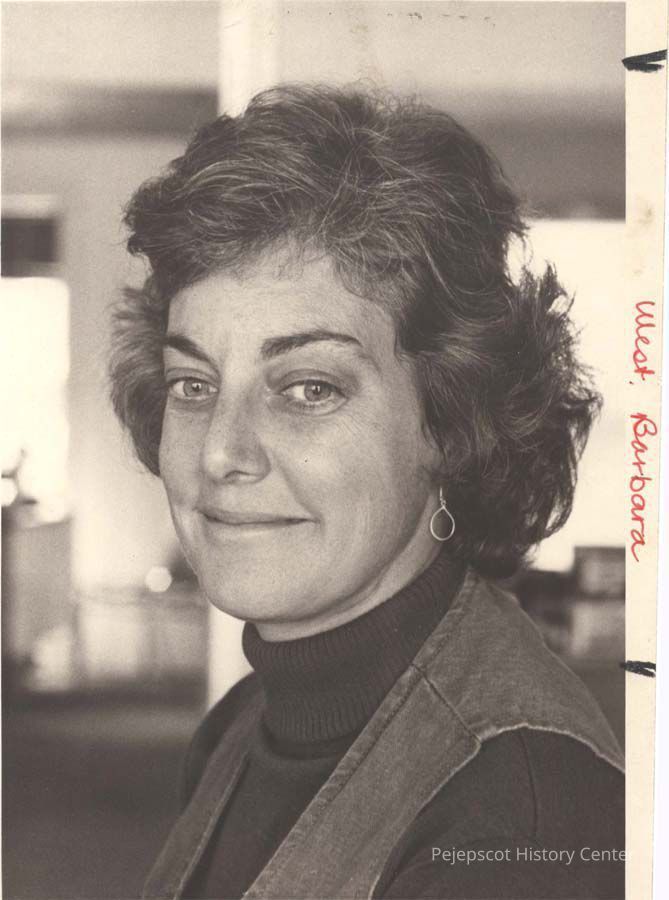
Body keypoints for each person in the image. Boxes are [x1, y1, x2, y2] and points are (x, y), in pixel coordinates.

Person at [109, 84, 624, 900]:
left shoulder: (515, 815)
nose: (221, 453)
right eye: (192, 385)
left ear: (447, 421)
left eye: (309, 388)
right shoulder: (243, 723)